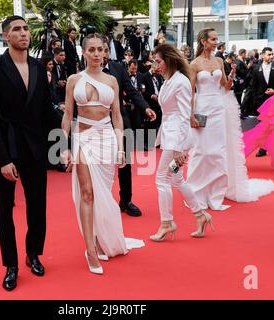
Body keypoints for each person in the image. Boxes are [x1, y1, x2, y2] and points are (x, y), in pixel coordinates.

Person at [0, 16, 57, 290]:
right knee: (4, 210)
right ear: (5, 36)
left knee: (38, 205)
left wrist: (63, 144)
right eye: (17, 29)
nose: (23, 33)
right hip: (6, 146)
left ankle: (33, 253)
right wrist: (2, 159)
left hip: (35, 146)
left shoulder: (38, 66)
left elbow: (47, 110)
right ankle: (10, 264)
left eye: (25, 28)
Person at [61, 33, 144, 275]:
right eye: (92, 50)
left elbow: (116, 116)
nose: (97, 54)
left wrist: (120, 147)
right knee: (87, 193)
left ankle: (99, 239)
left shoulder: (112, 81)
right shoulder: (73, 79)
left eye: (101, 49)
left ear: (106, 52)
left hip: (107, 139)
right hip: (83, 139)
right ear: (84, 52)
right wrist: (64, 145)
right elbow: (68, 114)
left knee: (103, 194)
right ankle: (90, 249)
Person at [187, 28, 274, 211]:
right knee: (202, 151)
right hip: (202, 109)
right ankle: (196, 191)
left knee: (219, 151)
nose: (215, 42)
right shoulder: (194, 64)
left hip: (219, 109)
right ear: (203, 41)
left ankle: (215, 194)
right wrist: (190, 115)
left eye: (216, 38)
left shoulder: (220, 61)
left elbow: (226, 88)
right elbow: (190, 92)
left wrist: (230, 77)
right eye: (212, 39)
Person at [150, 44, 213, 242]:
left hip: (177, 139)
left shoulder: (181, 82)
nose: (155, 65)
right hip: (170, 135)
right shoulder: (169, 80)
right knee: (176, 180)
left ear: (168, 59)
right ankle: (200, 215)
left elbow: (186, 113)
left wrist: (179, 148)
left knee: (162, 179)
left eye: (158, 61)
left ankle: (166, 223)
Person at [101, 37, 157, 217]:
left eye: (105, 50)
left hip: (120, 122)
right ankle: (102, 202)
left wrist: (145, 107)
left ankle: (126, 200)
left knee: (124, 163)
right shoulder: (85, 72)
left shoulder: (117, 68)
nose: (102, 54)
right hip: (98, 124)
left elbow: (131, 91)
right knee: (102, 164)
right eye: (98, 50)